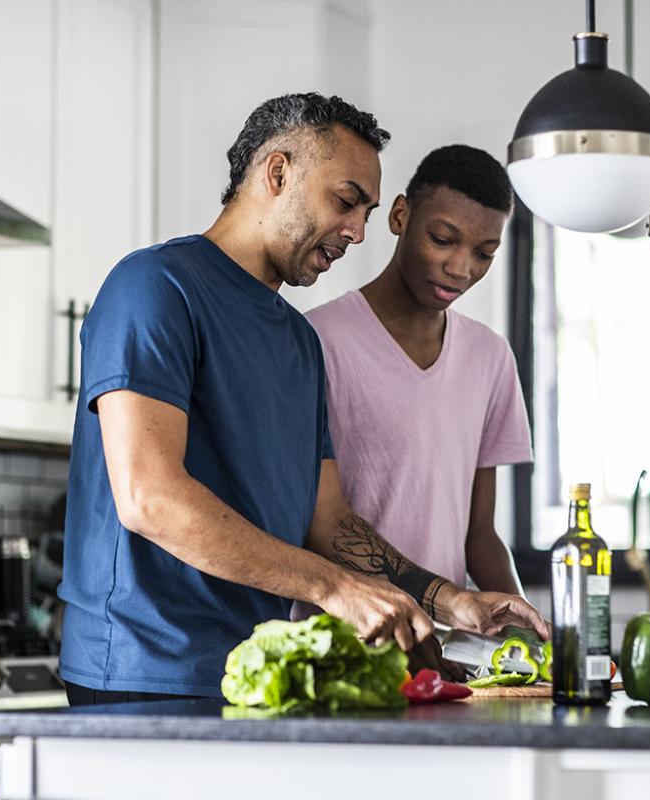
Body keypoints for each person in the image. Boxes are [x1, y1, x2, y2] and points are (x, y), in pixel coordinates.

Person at [57, 94, 546, 706]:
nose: (357, 231)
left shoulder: (297, 340)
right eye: (345, 201)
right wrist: (336, 590)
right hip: (140, 675)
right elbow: (149, 498)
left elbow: (330, 520)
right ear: (278, 173)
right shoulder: (155, 287)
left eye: (366, 211)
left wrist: (448, 599)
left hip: (261, 674)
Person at [305, 144, 532, 601]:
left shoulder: (490, 357)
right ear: (400, 217)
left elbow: (479, 536)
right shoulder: (315, 340)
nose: (461, 268)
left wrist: (530, 633)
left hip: (448, 647)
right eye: (444, 239)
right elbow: (315, 521)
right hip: (342, 645)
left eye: (484, 253)